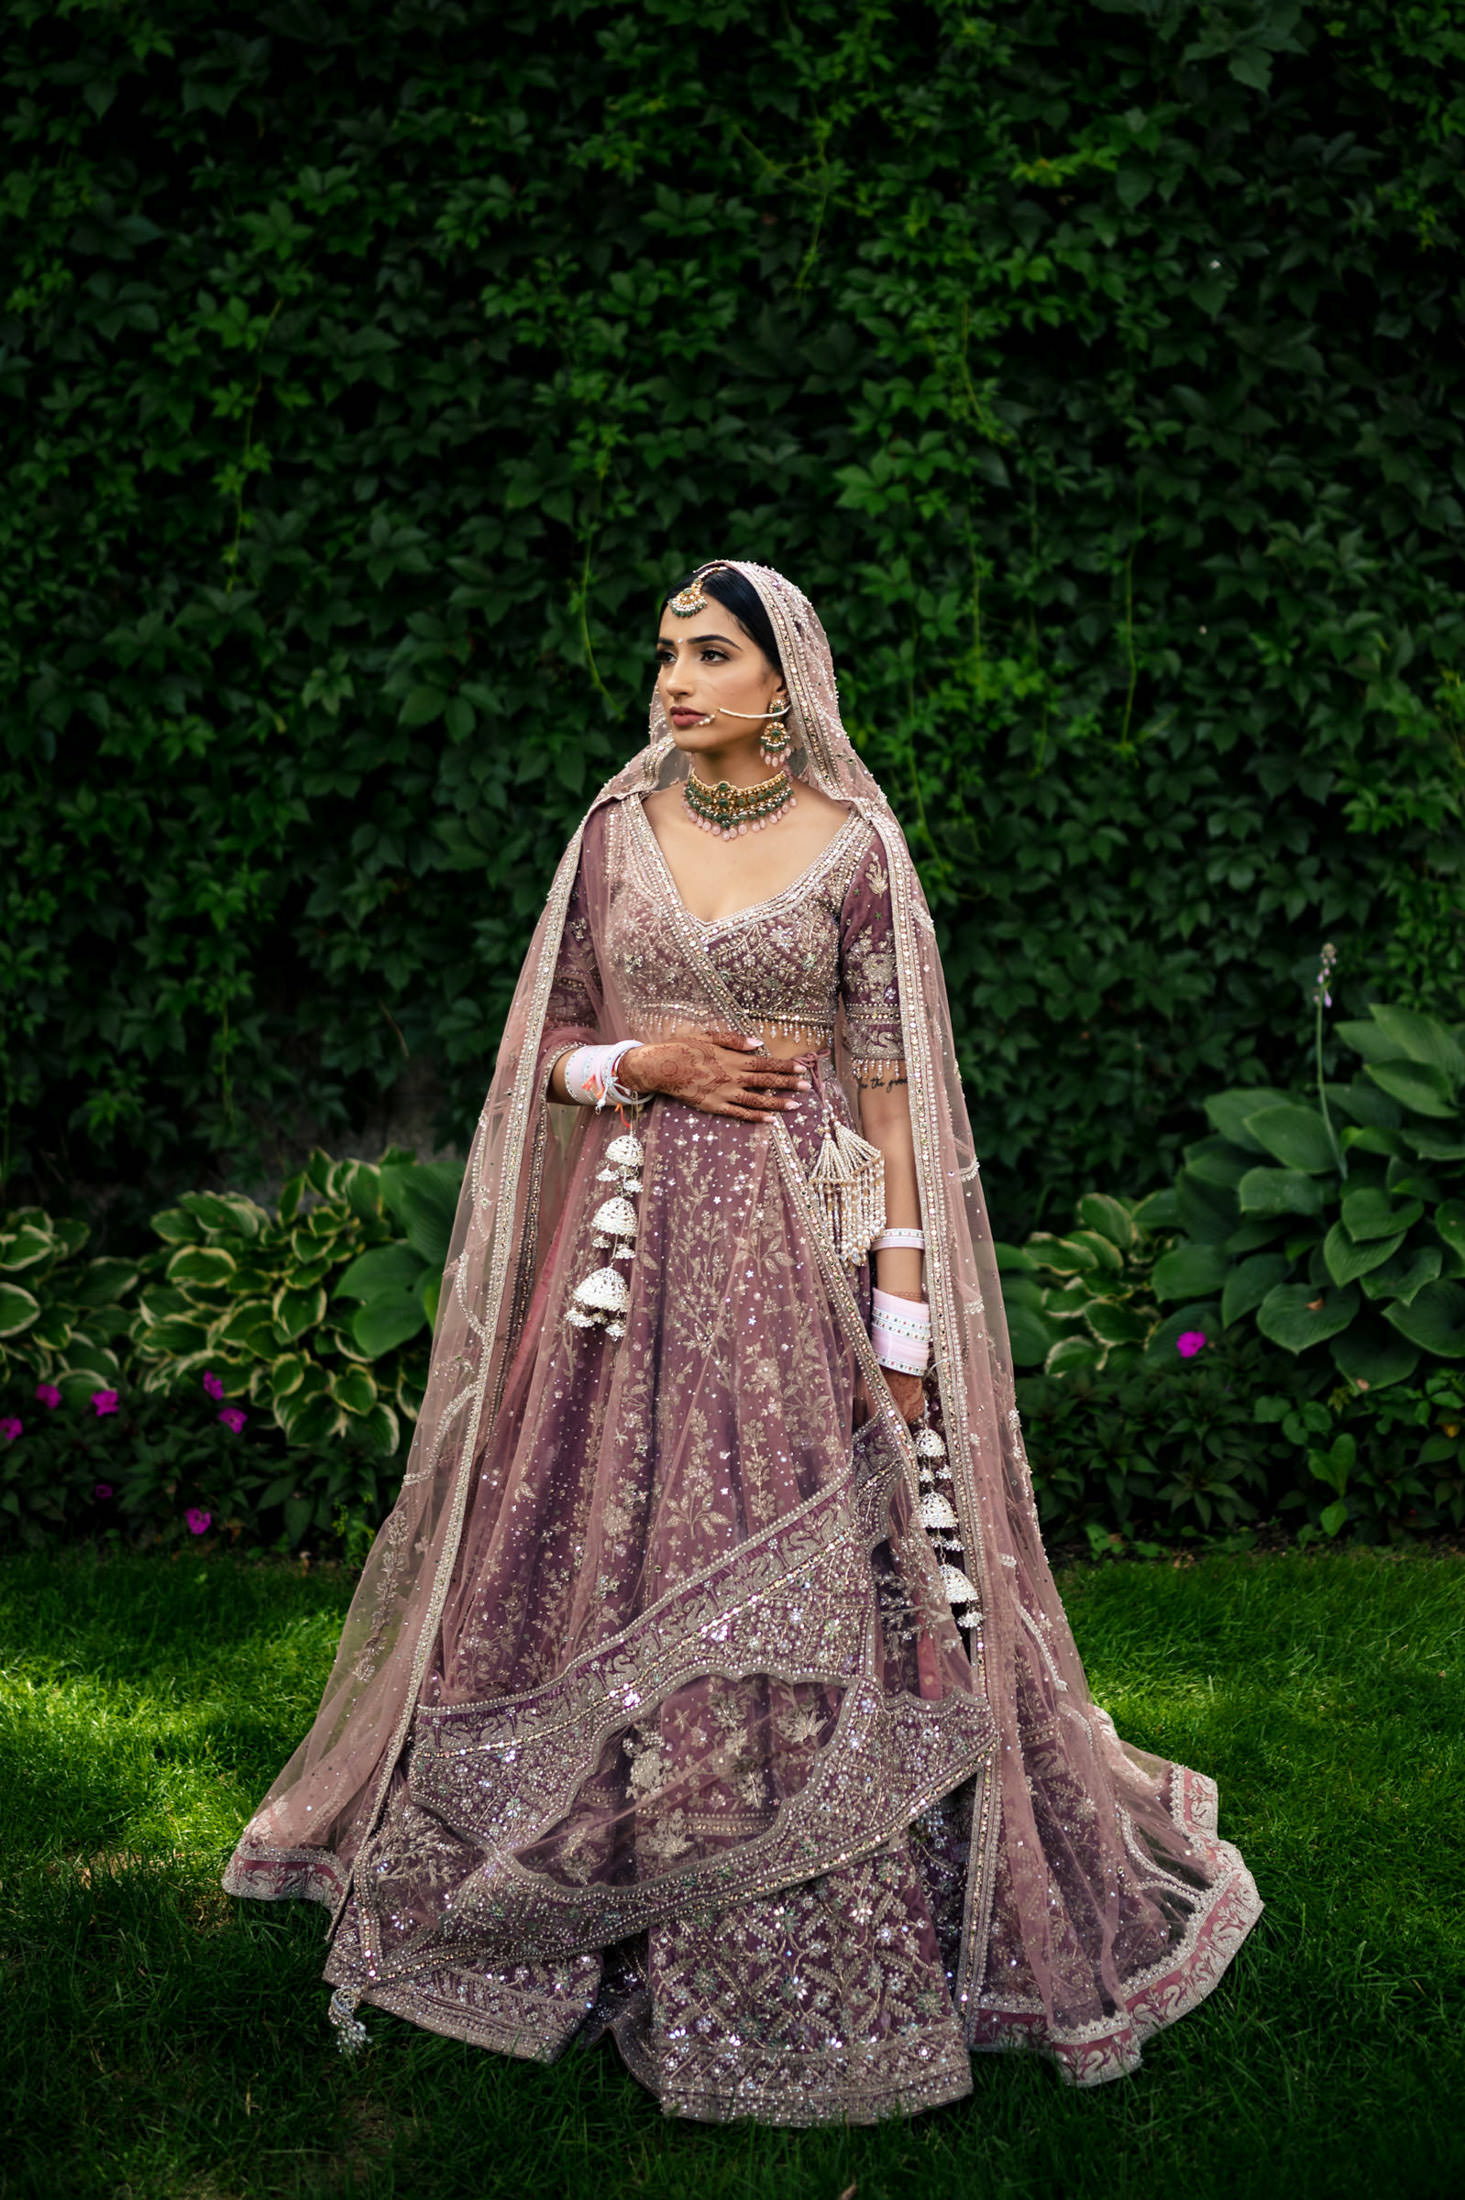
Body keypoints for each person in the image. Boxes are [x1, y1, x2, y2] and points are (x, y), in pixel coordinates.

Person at [225, 560, 1260, 2123]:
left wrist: (903, 1321)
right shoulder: (607, 837)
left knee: (813, 1546)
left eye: (711, 653)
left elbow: (901, 1100)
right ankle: (592, 1866)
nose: (676, 678)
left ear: (786, 680)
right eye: (665, 653)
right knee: (597, 1535)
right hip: (626, 1268)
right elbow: (543, 1050)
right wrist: (638, 1059)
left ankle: (804, 1858)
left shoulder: (856, 855)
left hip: (803, 1266)